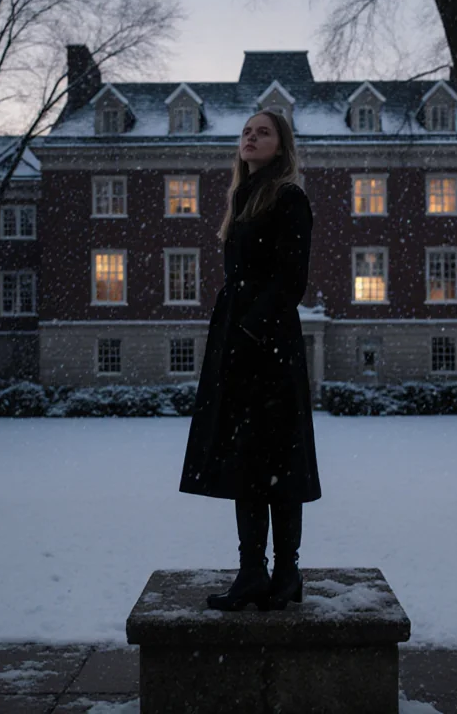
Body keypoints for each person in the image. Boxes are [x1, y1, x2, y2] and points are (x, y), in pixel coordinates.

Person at [179, 109, 321, 612]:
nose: (250, 137)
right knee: (245, 460)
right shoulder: (240, 200)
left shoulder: (289, 198)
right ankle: (251, 572)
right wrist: (233, 333)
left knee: (277, 460)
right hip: (238, 345)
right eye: (246, 131)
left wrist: (250, 328)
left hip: (269, 346)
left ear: (281, 147)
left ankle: (287, 574)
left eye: (263, 132)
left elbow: (291, 280)